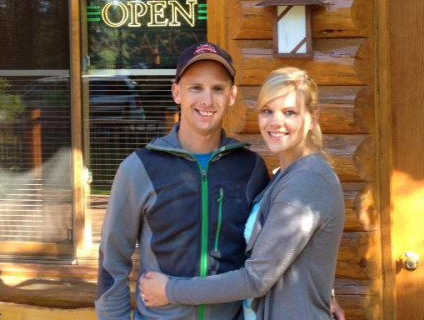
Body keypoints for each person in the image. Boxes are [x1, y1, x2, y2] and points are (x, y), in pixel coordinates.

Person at [139, 67, 346, 320]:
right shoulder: (284, 174)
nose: (275, 122)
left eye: (289, 112)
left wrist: (170, 290)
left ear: (313, 118)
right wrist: (326, 292)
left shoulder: (308, 180)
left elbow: (256, 278)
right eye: (267, 111)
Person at [95, 42, 270, 320]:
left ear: (232, 95)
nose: (207, 101)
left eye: (217, 89)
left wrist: (323, 296)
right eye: (195, 87)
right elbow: (112, 263)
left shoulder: (250, 168)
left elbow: (275, 250)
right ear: (177, 92)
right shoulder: (140, 168)